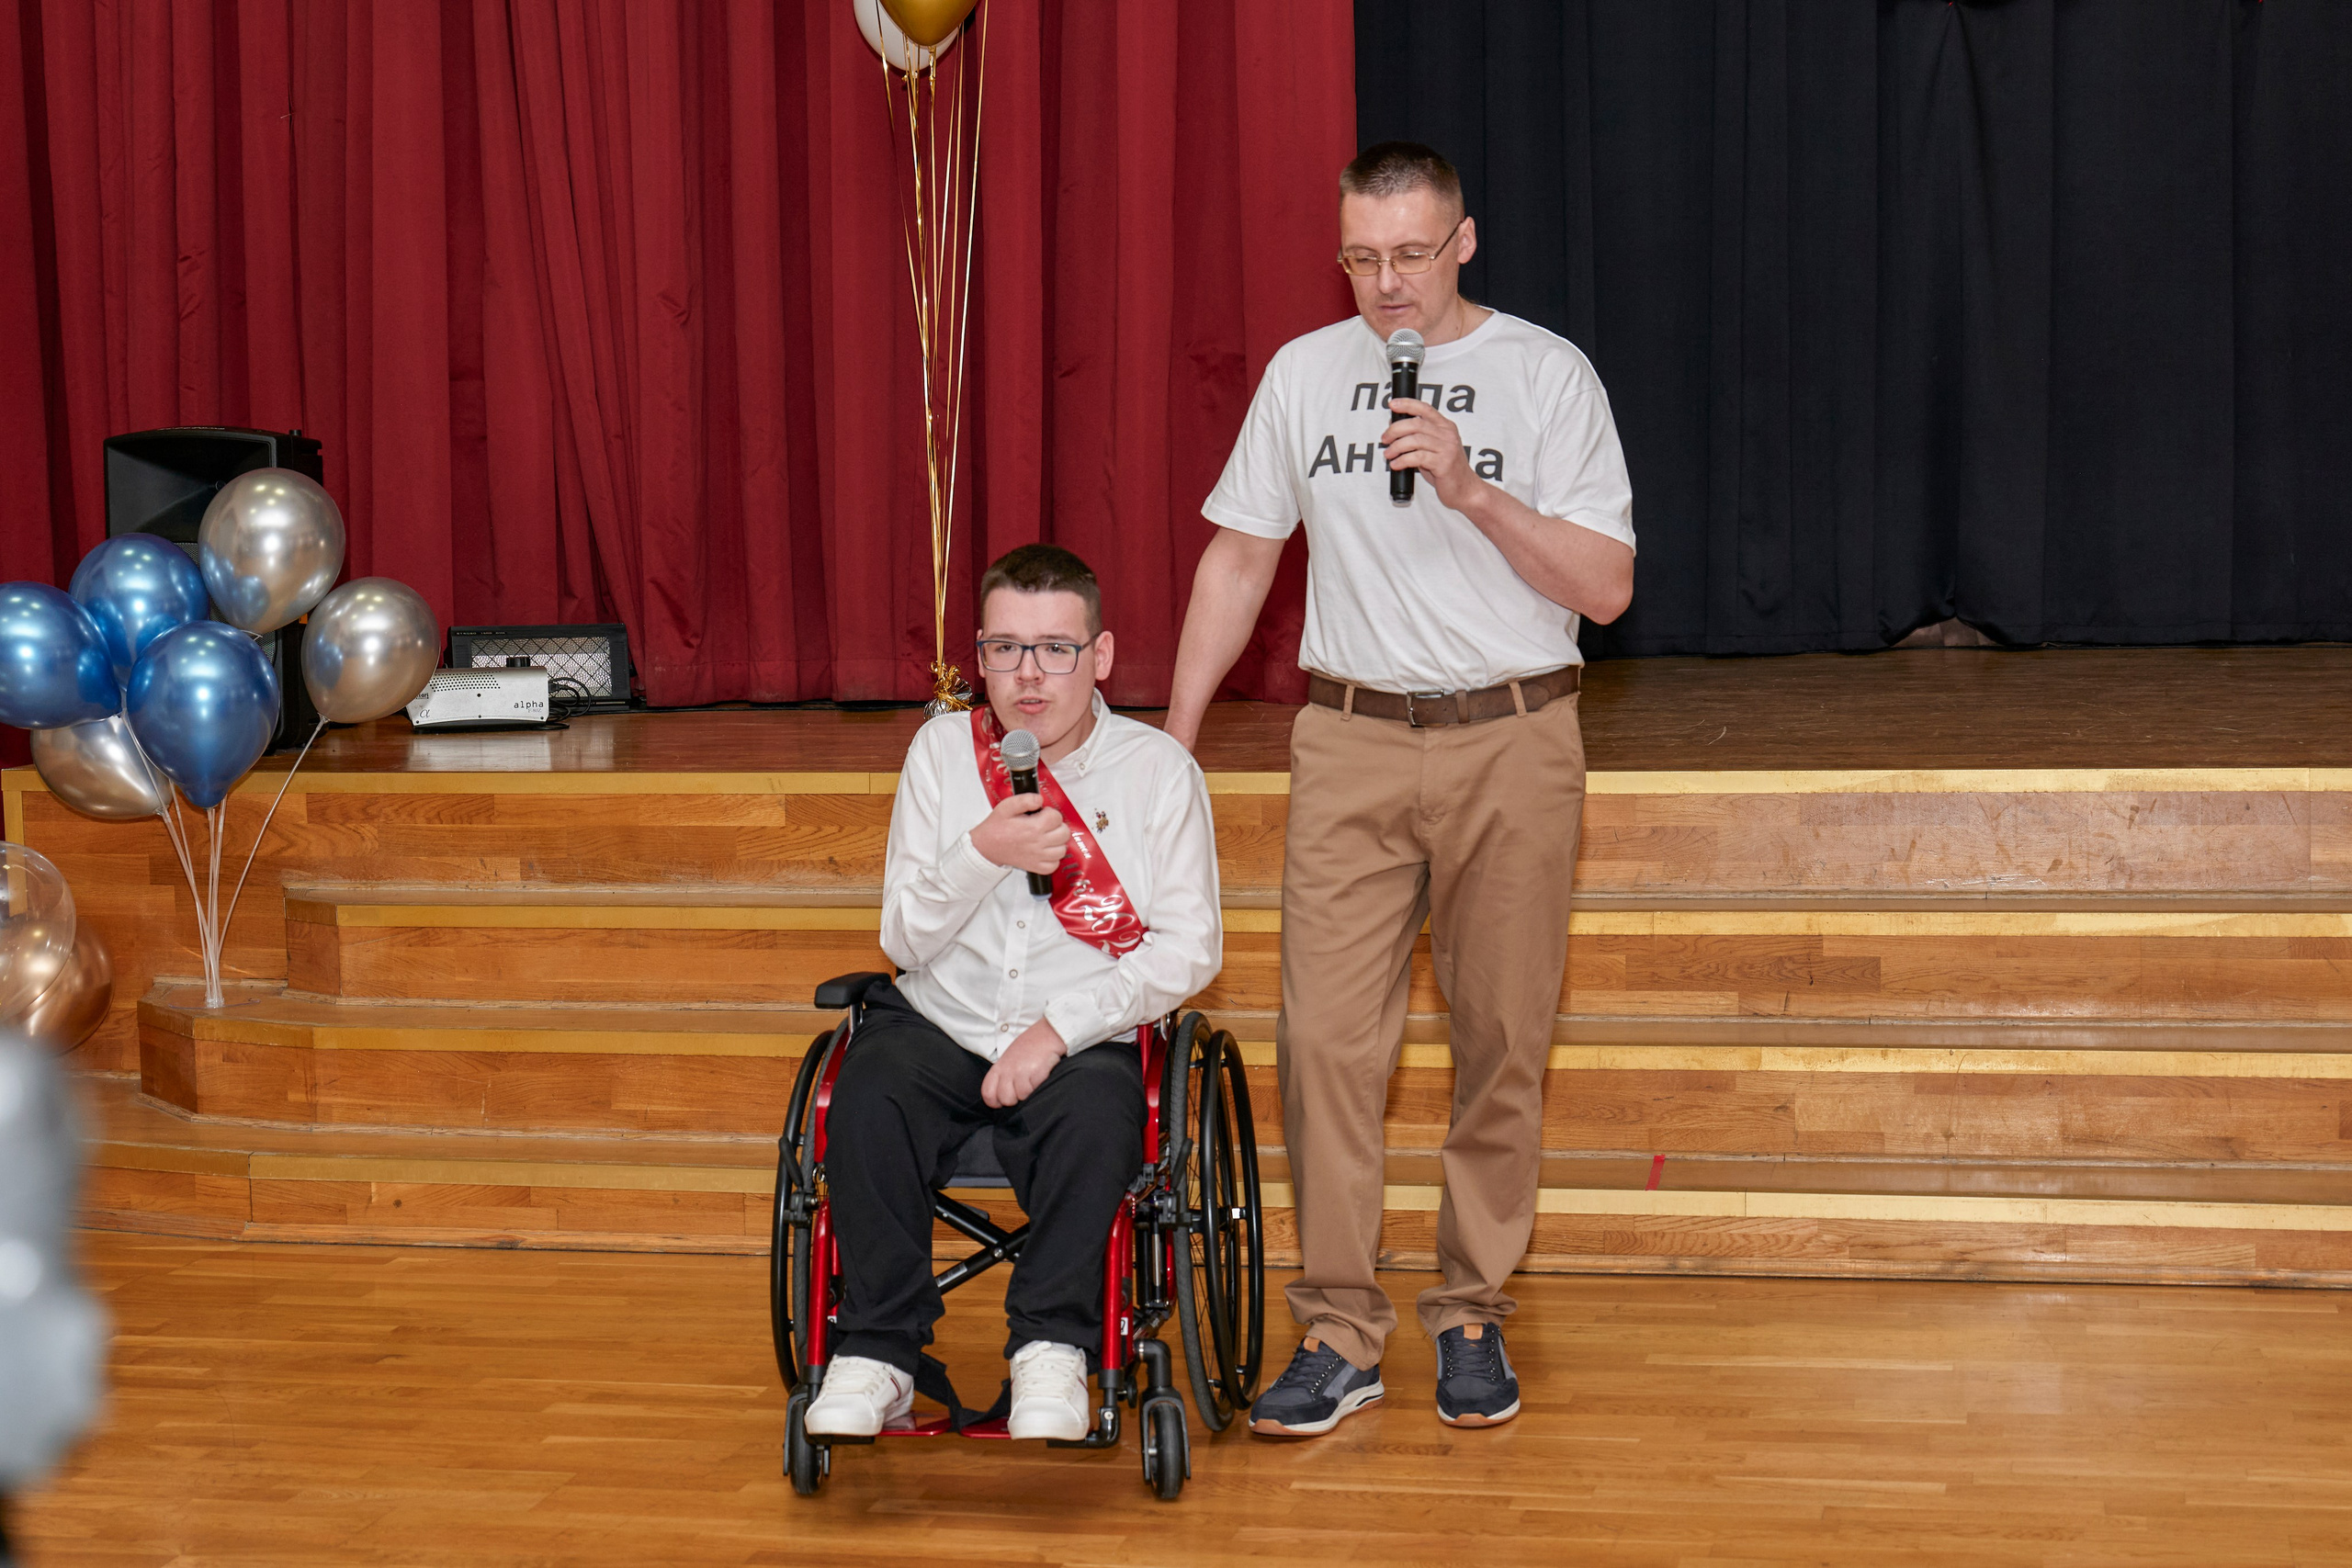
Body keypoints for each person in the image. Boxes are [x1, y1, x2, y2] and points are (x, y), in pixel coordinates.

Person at [1165, 141, 1636, 1437]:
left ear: (1464, 241)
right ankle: (1338, 1326)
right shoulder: (1304, 375)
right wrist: (1175, 737)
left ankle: (1473, 1306)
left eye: (1412, 255)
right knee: (1324, 1043)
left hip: (1514, 738)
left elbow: (1605, 588)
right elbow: (1240, 559)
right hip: (1354, 739)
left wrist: (1473, 488)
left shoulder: (1547, 374)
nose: (1389, 286)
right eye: (1363, 259)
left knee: (1501, 1039)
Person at [804, 544, 1223, 1442]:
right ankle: (877, 1353)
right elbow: (903, 940)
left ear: (1099, 656)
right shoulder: (940, 755)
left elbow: (1191, 951)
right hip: (944, 1016)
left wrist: (1056, 1029)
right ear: (979, 656)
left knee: (1100, 1117)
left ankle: (1053, 1351)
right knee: (867, 1094)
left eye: (1055, 649)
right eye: (1004, 649)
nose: (1029, 676)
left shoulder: (1157, 773)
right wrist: (979, 854)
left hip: (1081, 1031)